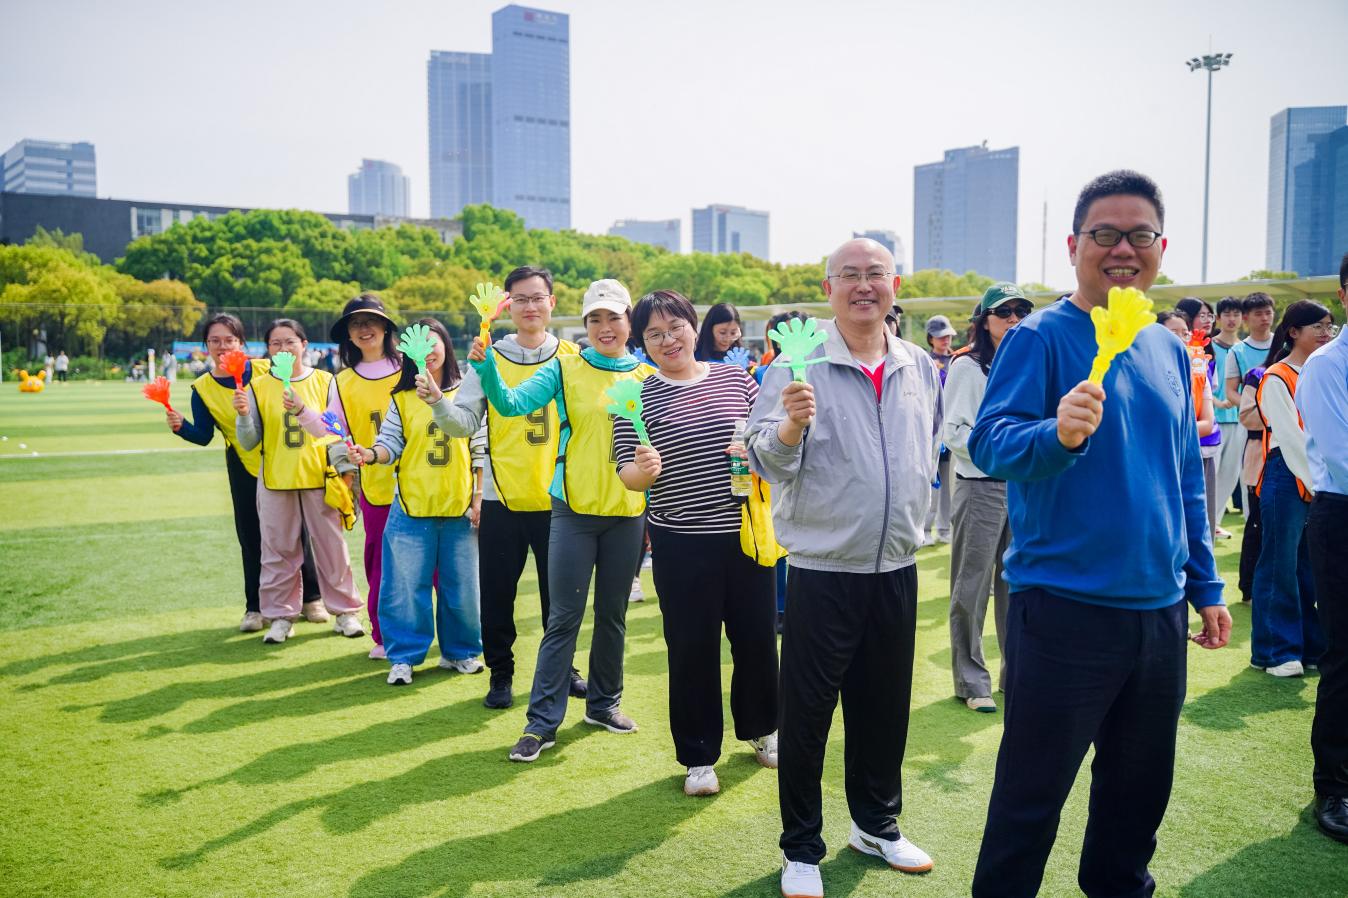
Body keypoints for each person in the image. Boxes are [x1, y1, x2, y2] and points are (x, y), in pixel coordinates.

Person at [967, 170, 1230, 898]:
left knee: (1136, 799)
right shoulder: (1039, 337)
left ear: (1161, 247)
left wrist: (1205, 584)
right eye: (1104, 234)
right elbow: (989, 443)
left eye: (1138, 235)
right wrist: (1054, 434)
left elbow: (1184, 477)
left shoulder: (1166, 348)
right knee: (1031, 800)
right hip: (1063, 610)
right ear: (1073, 245)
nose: (1122, 249)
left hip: (1158, 613)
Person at [748, 237, 939, 898]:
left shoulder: (918, 364)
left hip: (896, 566)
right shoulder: (795, 365)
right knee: (806, 718)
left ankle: (876, 825)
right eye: (849, 275)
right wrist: (790, 428)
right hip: (824, 568)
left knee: (883, 710)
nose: (863, 286)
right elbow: (761, 455)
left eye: (875, 274)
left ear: (894, 286)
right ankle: (801, 848)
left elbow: (926, 448)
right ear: (828, 289)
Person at [470, 279, 654, 763]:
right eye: (595, 319)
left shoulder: (649, 377)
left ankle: (603, 705)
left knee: (612, 615)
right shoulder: (565, 367)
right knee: (563, 618)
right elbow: (510, 404)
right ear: (585, 323)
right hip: (573, 510)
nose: (604, 327)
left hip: (627, 513)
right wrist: (486, 368)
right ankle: (541, 723)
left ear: (629, 321)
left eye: (613, 317)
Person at [615, 289, 779, 798]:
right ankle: (699, 755)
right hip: (680, 543)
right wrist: (642, 472)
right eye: (654, 334)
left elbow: (769, 441)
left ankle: (763, 729)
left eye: (676, 327)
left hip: (745, 536)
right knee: (691, 649)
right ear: (642, 343)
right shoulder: (635, 396)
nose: (668, 340)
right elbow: (626, 474)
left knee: (756, 640)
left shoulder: (736, 379)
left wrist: (751, 451)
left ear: (693, 326)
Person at [434, 265, 586, 709]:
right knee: (498, 596)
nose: (530, 306)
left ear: (552, 302)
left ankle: (565, 669)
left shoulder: (574, 357)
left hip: (560, 498)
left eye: (537, 297)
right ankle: (501, 673)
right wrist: (438, 403)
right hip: (502, 497)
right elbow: (464, 422)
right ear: (506, 305)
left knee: (562, 598)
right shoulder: (488, 356)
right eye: (520, 299)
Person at [165, 314, 325, 631]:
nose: (222, 346)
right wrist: (182, 427)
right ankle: (256, 608)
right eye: (215, 341)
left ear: (242, 343)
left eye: (230, 340)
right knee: (251, 536)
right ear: (206, 346)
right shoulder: (203, 388)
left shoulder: (266, 369)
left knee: (297, 531)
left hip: (284, 459)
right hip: (243, 465)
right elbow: (204, 436)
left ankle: (312, 599)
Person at [352, 318, 484, 685]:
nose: (428, 350)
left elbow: (480, 447)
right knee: (405, 588)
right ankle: (404, 657)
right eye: (419, 343)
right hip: (411, 507)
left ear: (446, 345)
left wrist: (479, 496)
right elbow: (389, 444)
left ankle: (460, 652)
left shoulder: (469, 390)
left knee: (463, 588)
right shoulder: (402, 398)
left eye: (433, 340)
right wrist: (370, 454)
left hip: (459, 508)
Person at [234, 319, 365, 645]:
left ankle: (345, 612)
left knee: (332, 549)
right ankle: (281, 616)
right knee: (277, 552)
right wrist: (243, 415)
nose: (283, 349)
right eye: (275, 343)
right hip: (276, 480)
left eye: (290, 342)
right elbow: (248, 442)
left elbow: (335, 431)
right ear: (267, 349)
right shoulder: (257, 386)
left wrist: (347, 476)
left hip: (320, 478)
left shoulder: (325, 381)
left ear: (304, 344)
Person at [942, 283, 1033, 714]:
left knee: (1017, 586)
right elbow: (953, 432)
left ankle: (1016, 675)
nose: (1013, 319)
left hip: (1021, 484)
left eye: (1021, 312)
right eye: (1004, 312)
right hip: (980, 485)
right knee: (971, 587)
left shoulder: (1027, 362)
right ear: (984, 320)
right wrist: (1000, 452)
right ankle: (971, 680)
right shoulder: (967, 366)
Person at [1249, 300, 1334, 677]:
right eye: (1318, 326)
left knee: (1308, 565)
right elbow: (1290, 437)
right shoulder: (1276, 376)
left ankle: (1310, 646)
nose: (1326, 333)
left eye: (1329, 326)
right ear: (1293, 332)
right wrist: (1320, 482)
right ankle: (1275, 651)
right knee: (1279, 564)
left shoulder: (1322, 370)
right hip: (1289, 471)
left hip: (1318, 472)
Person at [1297, 253, 1348, 843]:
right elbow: (1339, 453)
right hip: (1341, 516)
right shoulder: (1328, 365)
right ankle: (1334, 787)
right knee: (1345, 656)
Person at [326, 295, 403, 660]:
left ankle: (452, 641)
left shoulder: (411, 368)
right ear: (348, 334)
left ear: (386, 326)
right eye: (355, 324)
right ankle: (384, 636)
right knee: (380, 565)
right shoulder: (342, 381)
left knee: (436, 568)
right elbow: (332, 429)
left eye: (371, 321)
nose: (364, 329)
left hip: (425, 483)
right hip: (376, 487)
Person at [1159, 310, 1222, 539]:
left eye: (1184, 333)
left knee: (1199, 522)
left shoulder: (1199, 372)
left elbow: (1207, 423)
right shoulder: (1150, 370)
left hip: (1198, 454)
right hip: (1163, 458)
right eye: (1173, 332)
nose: (1180, 338)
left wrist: (1168, 429)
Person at [1208, 296, 1245, 535]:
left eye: (1236, 314)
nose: (1232, 319)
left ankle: (1215, 522)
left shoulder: (1244, 348)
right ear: (1219, 318)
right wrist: (1216, 402)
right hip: (1212, 421)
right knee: (1210, 475)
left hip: (1239, 420)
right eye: (1227, 314)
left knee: (1230, 476)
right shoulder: (1208, 346)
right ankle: (1205, 523)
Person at [924, 315, 957, 544]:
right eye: (940, 336)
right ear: (931, 338)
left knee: (948, 484)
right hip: (931, 430)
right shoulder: (924, 360)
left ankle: (944, 529)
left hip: (951, 429)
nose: (945, 340)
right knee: (931, 481)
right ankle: (925, 529)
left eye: (948, 336)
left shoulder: (958, 360)